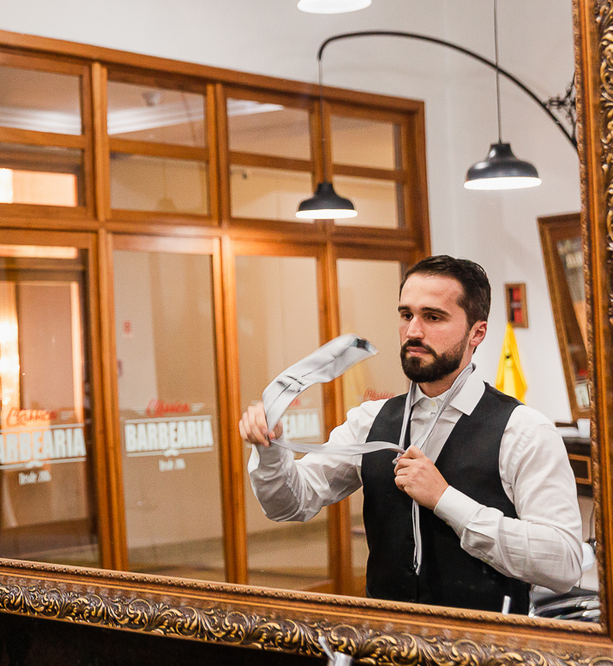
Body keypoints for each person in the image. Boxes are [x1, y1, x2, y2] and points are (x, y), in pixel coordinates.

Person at [239, 255, 582, 613]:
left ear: (477, 333)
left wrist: (445, 499)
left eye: (433, 317)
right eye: (406, 315)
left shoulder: (524, 431)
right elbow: (289, 505)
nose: (413, 331)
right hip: (386, 636)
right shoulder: (369, 421)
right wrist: (270, 448)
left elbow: (564, 563)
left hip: (486, 640)